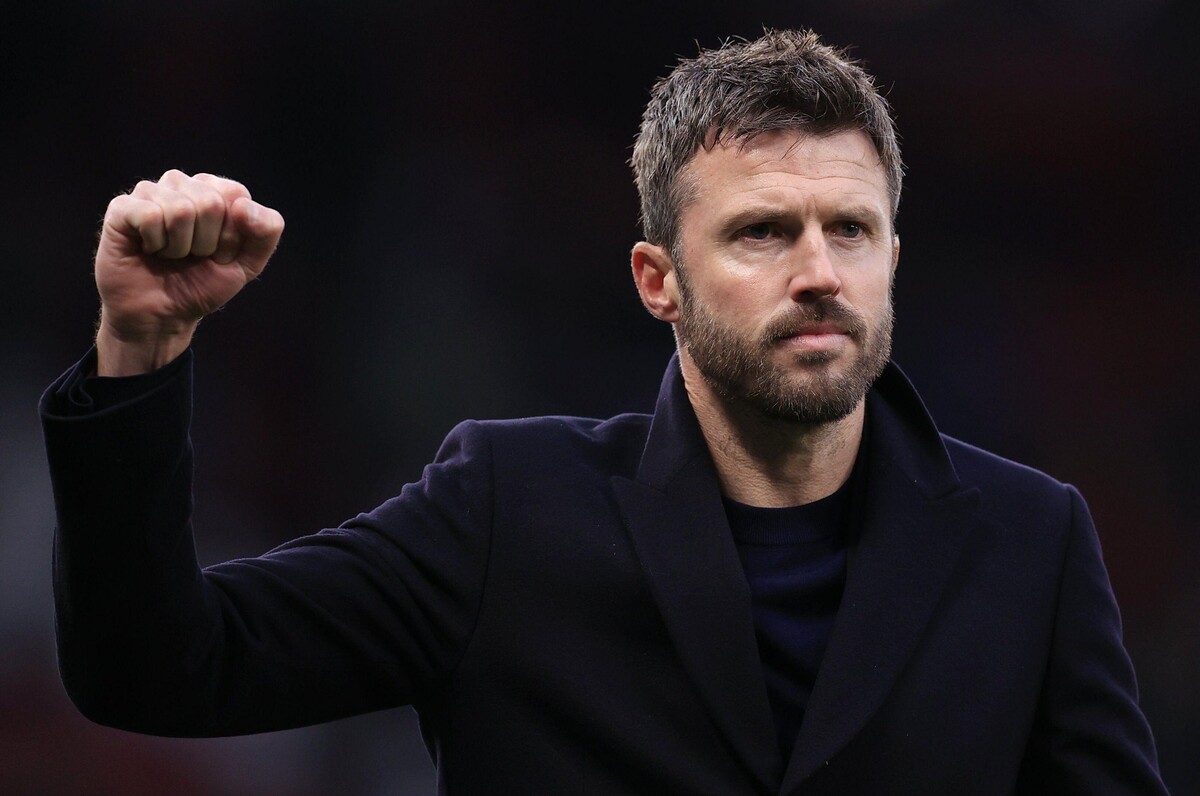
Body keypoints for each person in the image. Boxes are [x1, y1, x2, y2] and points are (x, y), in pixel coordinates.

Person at [40, 29, 1167, 795]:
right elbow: (156, 666)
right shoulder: (507, 511)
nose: (821, 272)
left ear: (894, 260)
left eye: (852, 230)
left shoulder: (1032, 539)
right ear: (657, 281)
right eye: (763, 232)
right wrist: (139, 350)